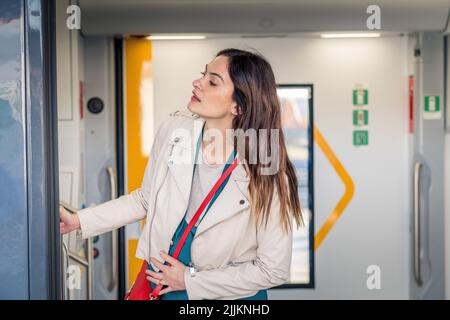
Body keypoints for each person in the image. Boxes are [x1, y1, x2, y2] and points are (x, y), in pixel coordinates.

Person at [60, 48, 304, 300]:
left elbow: (272, 270)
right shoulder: (175, 132)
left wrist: (189, 279)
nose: (197, 83)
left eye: (212, 81)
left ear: (239, 107)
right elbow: (146, 199)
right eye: (203, 74)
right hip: (163, 286)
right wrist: (79, 220)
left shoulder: (267, 174)